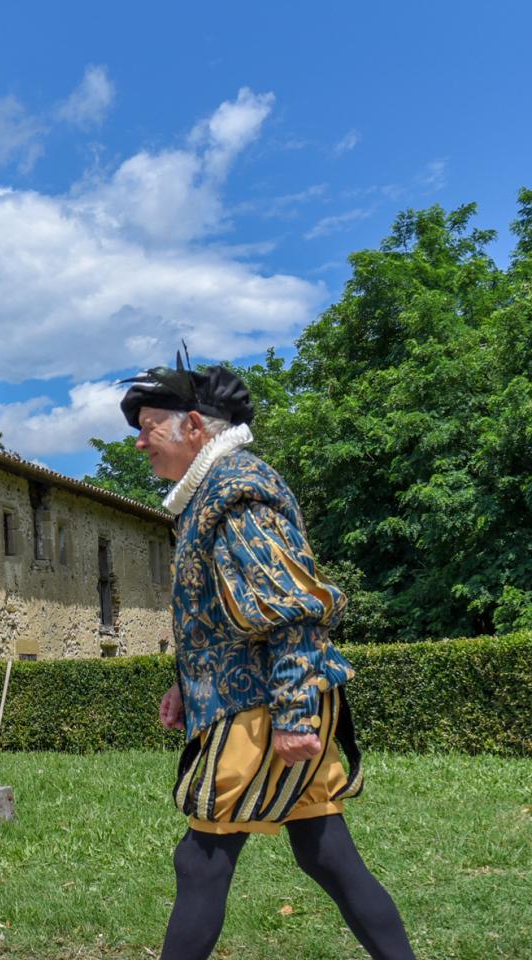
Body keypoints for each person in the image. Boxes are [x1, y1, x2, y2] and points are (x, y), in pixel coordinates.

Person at [120, 352, 415, 960]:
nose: (142, 441)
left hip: (260, 708)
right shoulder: (210, 494)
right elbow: (223, 619)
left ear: (195, 427)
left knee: (199, 861)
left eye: (150, 425)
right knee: (326, 855)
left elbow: (294, 610)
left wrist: (295, 716)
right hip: (250, 700)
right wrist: (185, 683)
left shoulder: (237, 493)